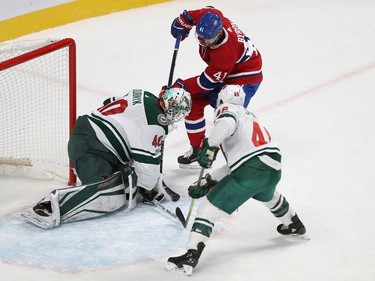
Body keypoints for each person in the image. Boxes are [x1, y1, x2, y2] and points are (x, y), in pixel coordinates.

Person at [165, 85, 306, 276]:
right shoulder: (249, 116)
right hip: (271, 168)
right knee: (267, 194)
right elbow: (236, 164)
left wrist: (211, 146)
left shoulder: (228, 110)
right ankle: (294, 223)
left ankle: (191, 255)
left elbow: (227, 123)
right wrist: (208, 180)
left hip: (251, 168)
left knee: (208, 207)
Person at [21, 88, 192, 229]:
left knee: (127, 181)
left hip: (91, 136)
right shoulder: (155, 124)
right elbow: (147, 172)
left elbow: (108, 102)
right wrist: (146, 188)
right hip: (91, 147)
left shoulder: (144, 94)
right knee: (110, 194)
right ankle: (49, 206)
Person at [169, 6, 263, 168]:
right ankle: (197, 150)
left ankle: (242, 162)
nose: (202, 41)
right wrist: (183, 21)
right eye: (199, 36)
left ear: (218, 33)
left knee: (227, 116)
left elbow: (205, 83)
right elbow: (199, 13)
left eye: (207, 39)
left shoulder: (224, 55)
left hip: (245, 76)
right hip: (229, 70)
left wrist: (182, 86)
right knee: (194, 101)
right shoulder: (211, 17)